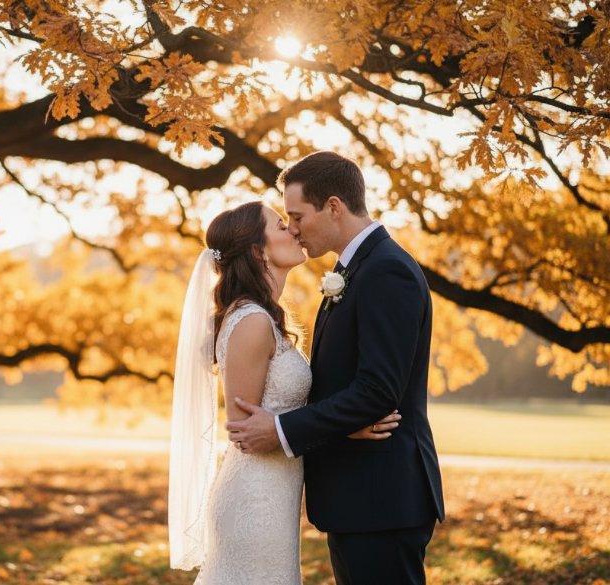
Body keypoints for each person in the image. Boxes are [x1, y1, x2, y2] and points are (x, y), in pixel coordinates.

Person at [226, 152, 445, 585]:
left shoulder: (386, 271)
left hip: (381, 498)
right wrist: (341, 426)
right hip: (359, 497)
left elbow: (378, 391)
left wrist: (283, 430)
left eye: (297, 216)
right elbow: (343, 384)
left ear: (332, 207)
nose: (292, 228)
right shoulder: (355, 270)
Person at [168, 201, 400, 584]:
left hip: (276, 494)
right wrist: (341, 430)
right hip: (255, 500)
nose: (294, 230)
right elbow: (246, 433)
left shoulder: (266, 317)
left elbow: (278, 421)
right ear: (259, 251)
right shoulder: (252, 322)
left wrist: (341, 424)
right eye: (281, 225)